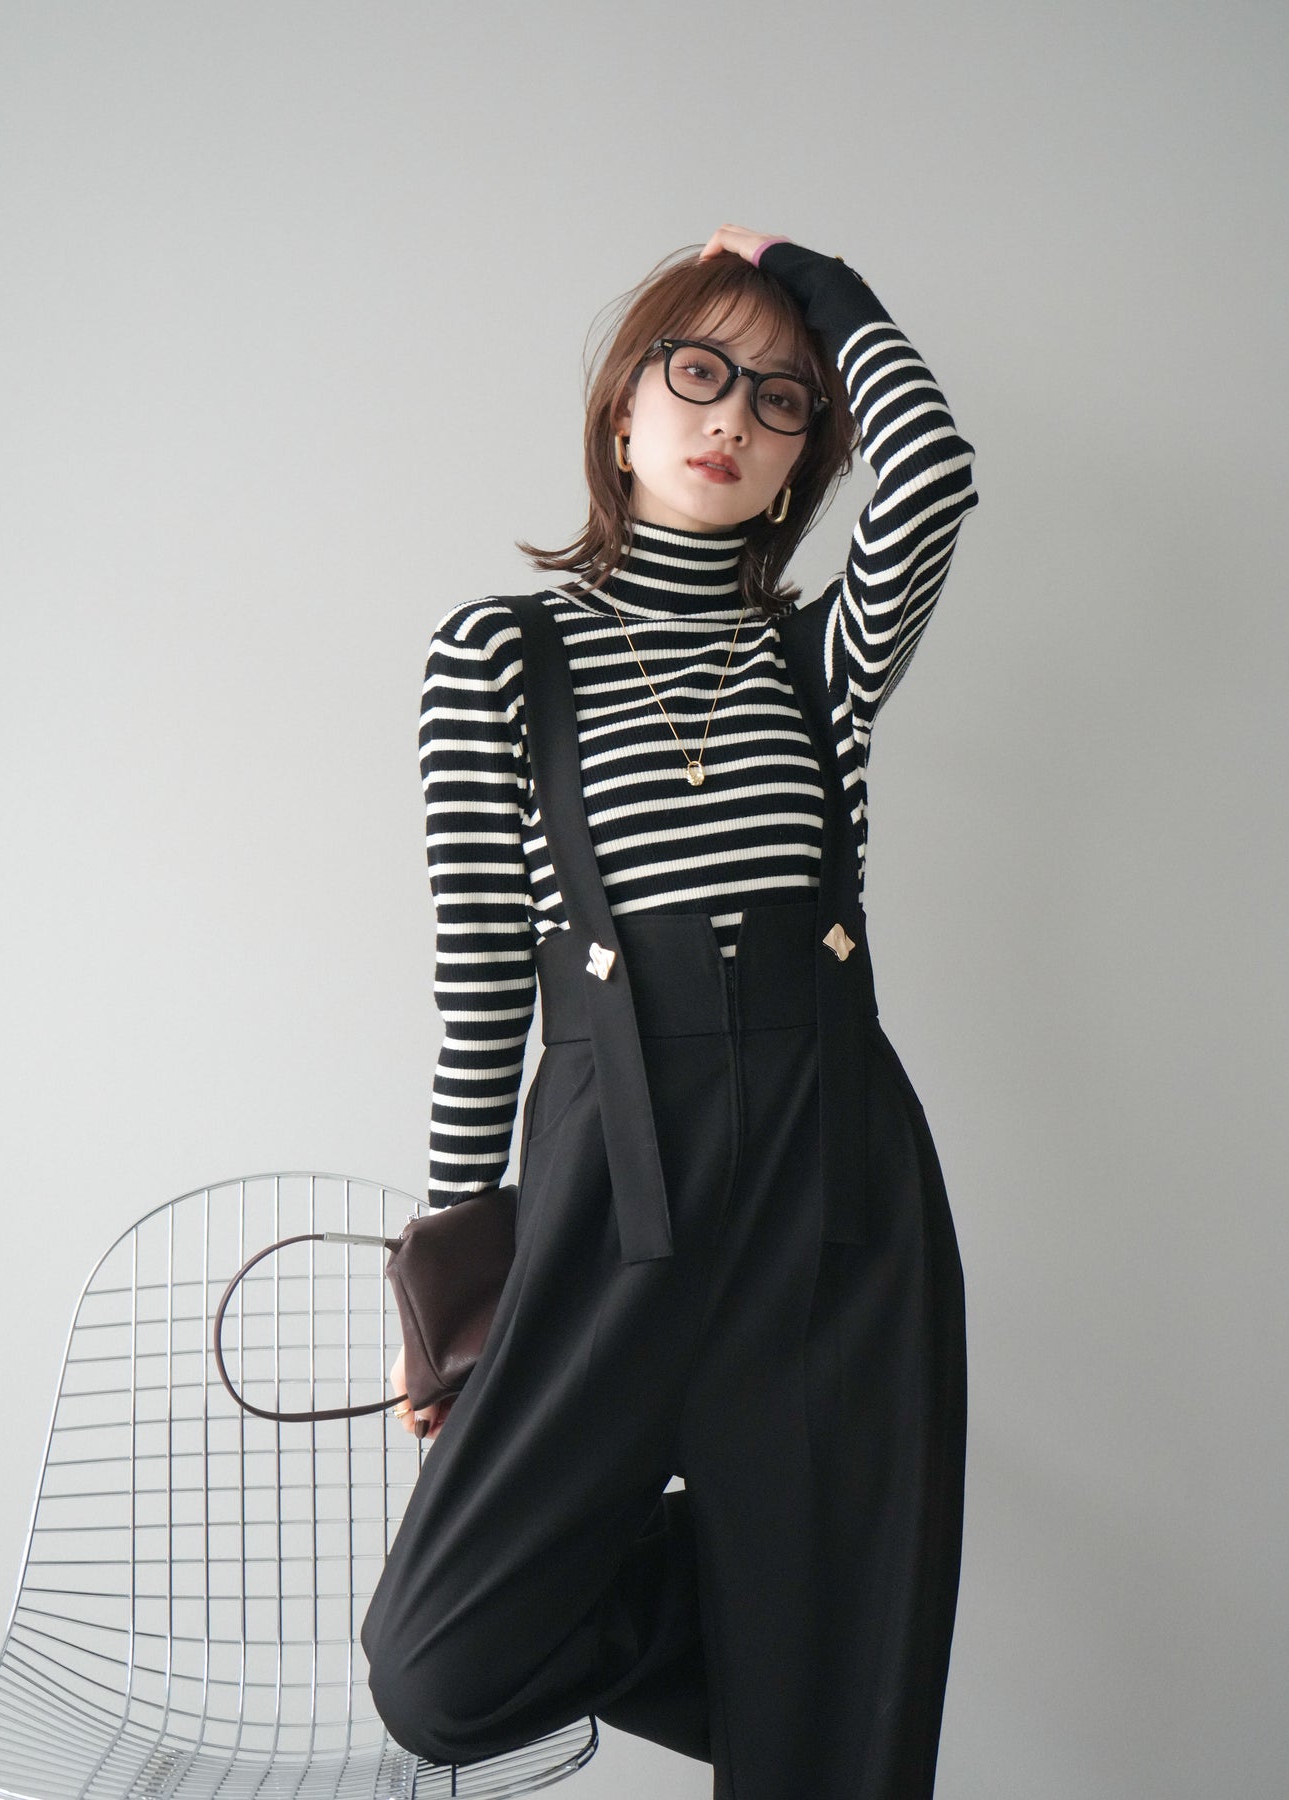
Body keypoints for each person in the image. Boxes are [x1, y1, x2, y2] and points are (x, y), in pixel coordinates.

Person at [361, 223, 980, 1799]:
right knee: (439, 1666)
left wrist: (816, 280)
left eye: (780, 401)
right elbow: (480, 983)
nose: (730, 418)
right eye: (695, 372)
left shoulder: (816, 661)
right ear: (620, 413)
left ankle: (823, 1663)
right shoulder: (499, 655)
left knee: (830, 1759)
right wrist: (456, 1273)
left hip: (834, 1185)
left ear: (798, 465)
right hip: (610, 1185)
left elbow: (932, 475)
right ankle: (808, 1643)